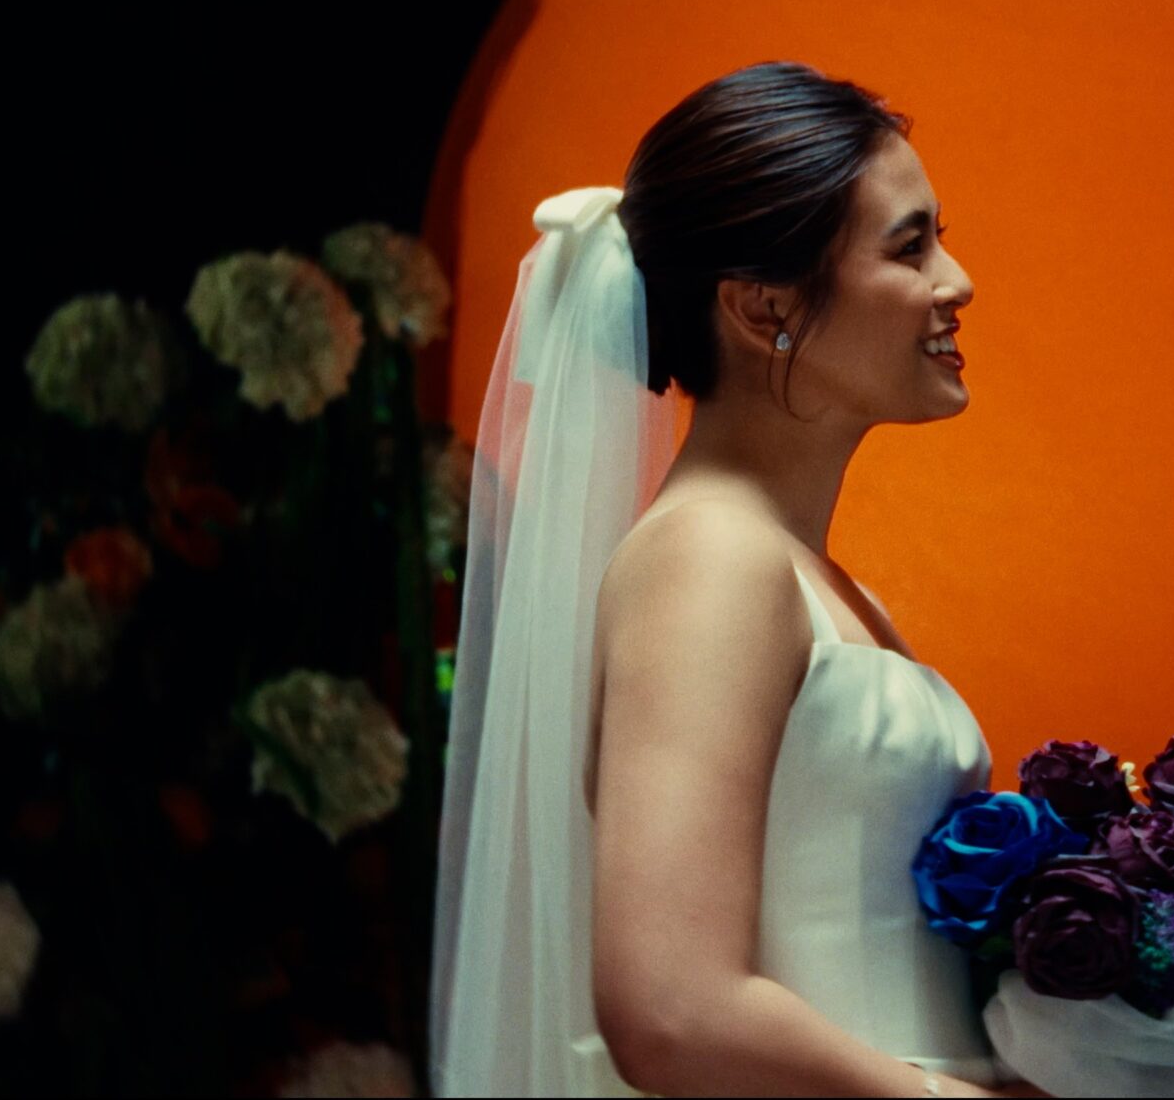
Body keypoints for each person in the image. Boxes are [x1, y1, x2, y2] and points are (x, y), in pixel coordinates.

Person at [431, 62, 1029, 1097]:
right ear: (763, 307)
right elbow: (672, 1008)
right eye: (909, 246)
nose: (957, 280)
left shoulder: (811, 579)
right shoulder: (709, 561)